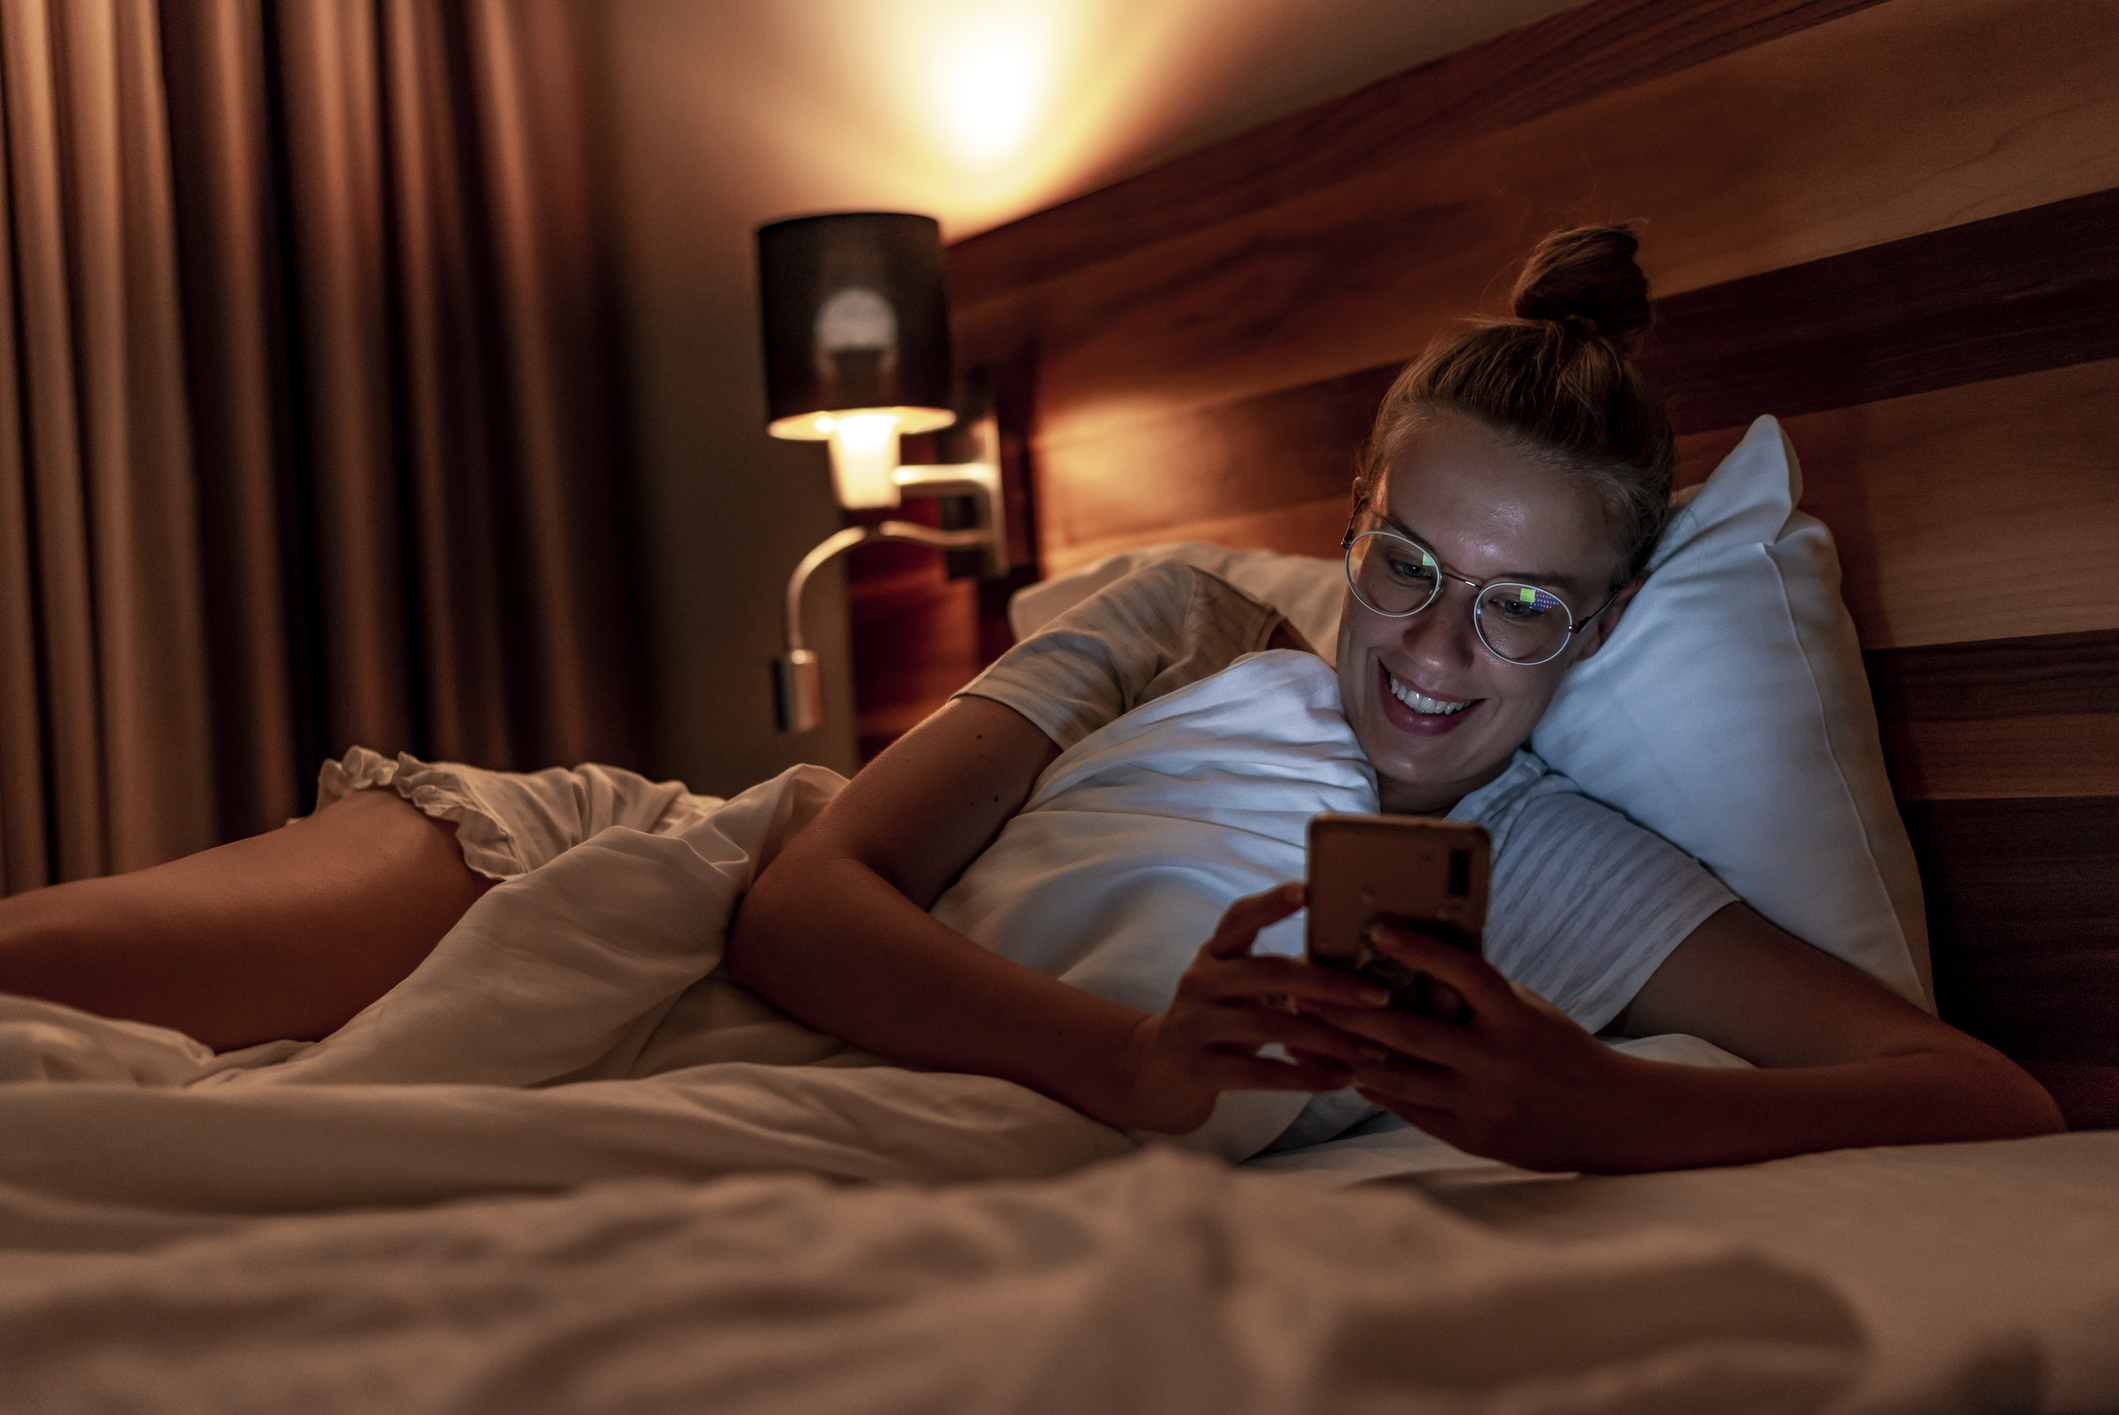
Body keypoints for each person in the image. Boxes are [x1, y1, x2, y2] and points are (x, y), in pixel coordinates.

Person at [0, 228, 2062, 1173]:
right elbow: (803, 900)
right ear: (1350, 529)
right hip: (598, 859)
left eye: (1519, 611)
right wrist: (1130, 1066)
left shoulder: (1560, 871)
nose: (1433, 652)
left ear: (1597, 634)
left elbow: (1991, 1099)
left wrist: (1593, 1107)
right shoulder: (1172, 617)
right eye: (1407, 570)